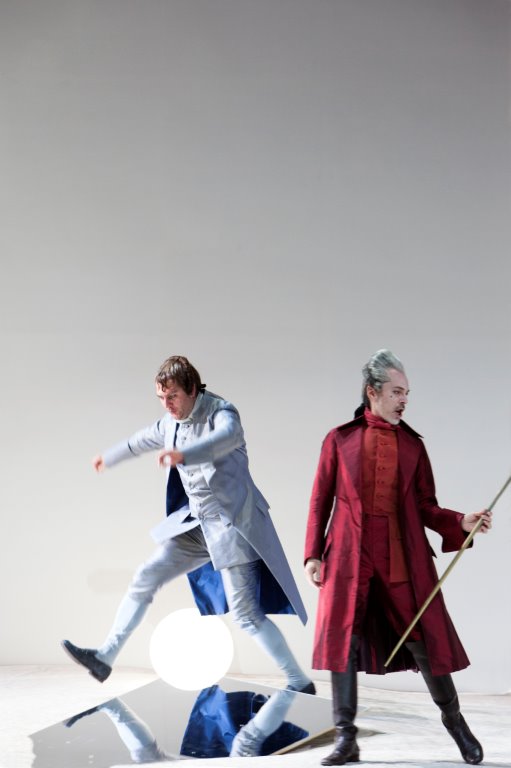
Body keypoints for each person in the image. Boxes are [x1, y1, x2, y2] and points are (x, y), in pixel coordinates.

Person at [63, 355, 314, 698]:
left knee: (245, 614)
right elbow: (140, 440)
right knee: (146, 576)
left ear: (192, 389)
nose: (167, 405)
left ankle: (298, 680)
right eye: (161, 398)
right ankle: (105, 657)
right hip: (196, 525)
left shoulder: (223, 412)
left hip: (232, 526)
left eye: (173, 397)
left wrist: (185, 454)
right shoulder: (170, 423)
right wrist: (108, 457)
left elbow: (225, 438)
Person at [304, 349, 492, 766]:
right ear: (372, 392)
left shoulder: (412, 446)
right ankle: (346, 738)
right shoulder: (338, 439)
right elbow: (320, 500)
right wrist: (313, 554)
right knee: (343, 640)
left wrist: (461, 522)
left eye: (407, 393)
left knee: (424, 637)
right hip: (348, 556)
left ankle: (456, 724)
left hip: (400, 556)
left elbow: (426, 506)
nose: (404, 400)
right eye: (396, 392)